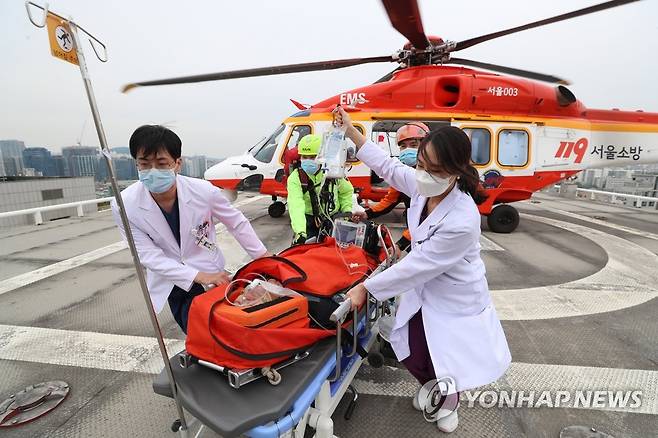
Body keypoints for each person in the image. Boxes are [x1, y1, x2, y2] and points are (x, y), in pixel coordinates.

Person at [335, 108, 511, 433]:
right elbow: (386, 165)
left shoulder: (462, 219)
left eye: (434, 169)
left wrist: (367, 288)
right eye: (420, 165)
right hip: (423, 289)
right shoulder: (422, 187)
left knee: (445, 357)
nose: (423, 174)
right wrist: (350, 131)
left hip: (453, 298)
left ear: (456, 172)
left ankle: (448, 400)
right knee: (414, 349)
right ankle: (432, 387)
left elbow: (419, 265)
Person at [111, 125, 270, 333]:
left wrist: (264, 258)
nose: (153, 171)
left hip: (212, 272)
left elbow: (236, 222)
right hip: (174, 280)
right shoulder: (124, 204)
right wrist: (199, 276)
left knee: (227, 327)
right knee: (198, 330)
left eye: (161, 164)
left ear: (178, 163)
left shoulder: (204, 191)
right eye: (144, 164)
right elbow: (147, 255)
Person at [352, 122, 428, 252]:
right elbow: (390, 200)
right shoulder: (403, 175)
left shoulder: (433, 178)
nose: (408, 149)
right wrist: (366, 214)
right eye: (403, 146)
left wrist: (401, 244)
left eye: (413, 145)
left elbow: (427, 221)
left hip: (430, 238)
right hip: (415, 236)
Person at [286, 134, 354, 244]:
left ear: (321, 156)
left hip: (333, 219)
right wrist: (300, 231)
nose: (308, 161)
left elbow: (346, 192)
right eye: (304, 157)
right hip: (308, 222)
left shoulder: (332, 173)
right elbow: (295, 204)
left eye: (312, 157)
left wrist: (346, 212)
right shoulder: (296, 178)